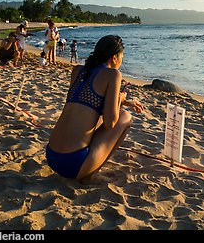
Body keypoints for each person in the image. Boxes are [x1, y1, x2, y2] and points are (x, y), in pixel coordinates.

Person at [46, 35, 144, 181]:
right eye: (121, 57)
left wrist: (124, 101)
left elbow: (87, 103)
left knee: (99, 116)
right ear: (114, 58)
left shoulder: (78, 71)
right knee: (125, 118)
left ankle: (87, 168)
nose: (121, 61)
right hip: (73, 163)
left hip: (52, 155)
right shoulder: (113, 74)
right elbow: (110, 123)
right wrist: (119, 99)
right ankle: (91, 175)